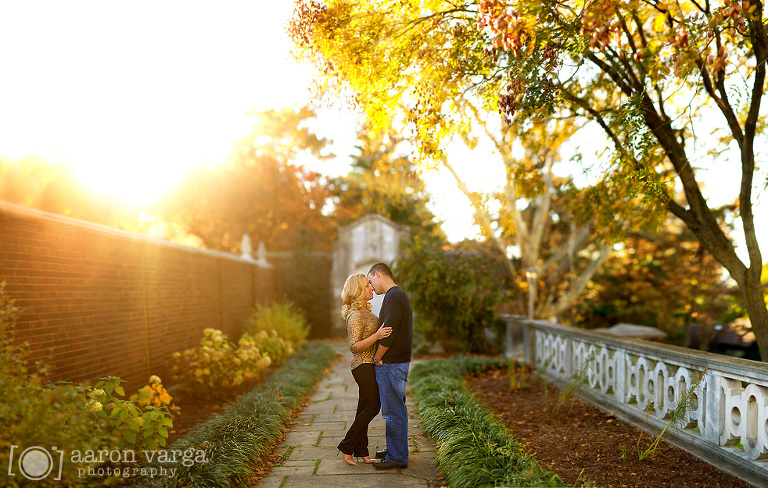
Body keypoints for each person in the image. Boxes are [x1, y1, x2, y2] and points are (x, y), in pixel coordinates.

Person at [337, 273, 392, 466]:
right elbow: (354, 347)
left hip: (370, 365)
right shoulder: (355, 315)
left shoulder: (367, 313)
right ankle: (346, 446)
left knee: (363, 409)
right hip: (362, 365)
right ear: (359, 290)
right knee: (373, 406)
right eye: (367, 285)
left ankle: (362, 451)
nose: (371, 287)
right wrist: (376, 336)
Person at [367, 262, 413, 470]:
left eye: (370, 281)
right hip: (396, 362)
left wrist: (377, 358)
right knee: (396, 409)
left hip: (390, 363)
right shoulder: (396, 295)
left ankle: (397, 457)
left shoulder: (393, 296)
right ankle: (397, 450)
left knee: (393, 411)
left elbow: (389, 331)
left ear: (377, 274)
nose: (371, 286)